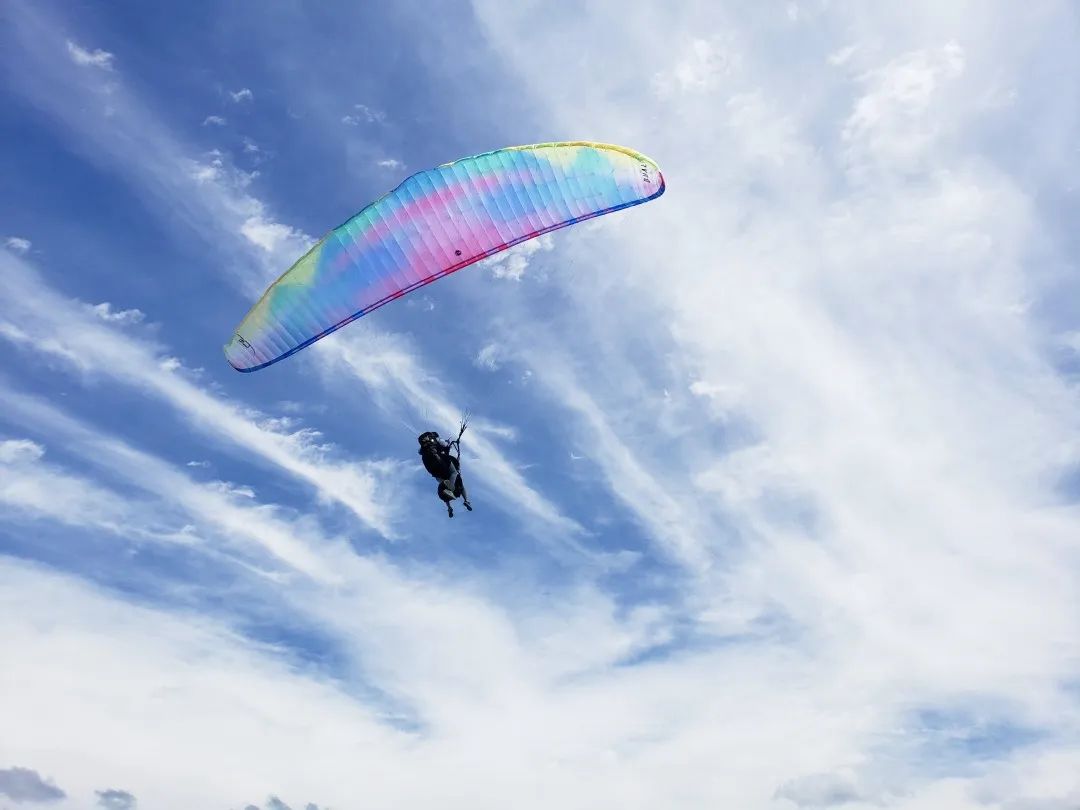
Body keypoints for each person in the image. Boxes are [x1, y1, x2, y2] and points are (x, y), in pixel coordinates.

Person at [418, 431, 472, 518]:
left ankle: (449, 507)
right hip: (439, 461)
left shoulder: (423, 449)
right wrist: (447, 443)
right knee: (454, 473)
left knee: (443, 483)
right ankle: (466, 500)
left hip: (431, 468)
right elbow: (445, 445)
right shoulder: (437, 440)